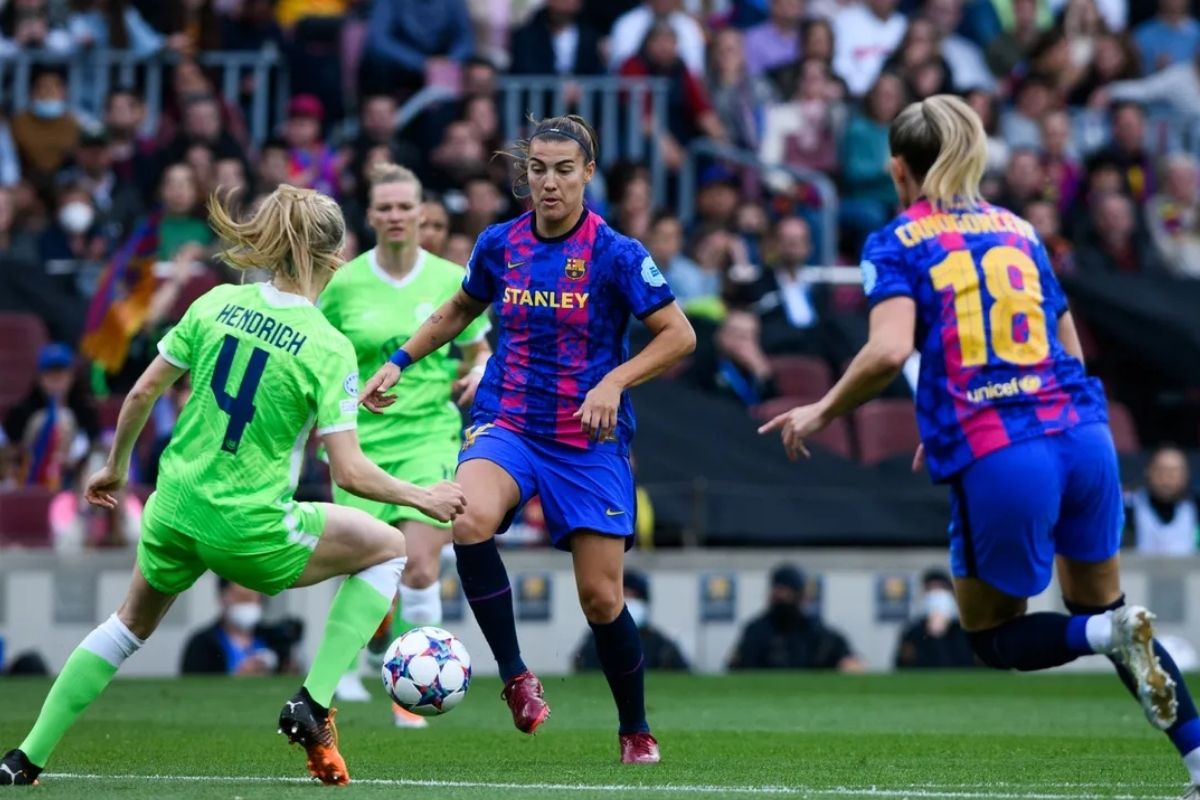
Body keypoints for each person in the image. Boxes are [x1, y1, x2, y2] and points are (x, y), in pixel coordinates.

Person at [758, 93, 1200, 794]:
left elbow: (886, 351)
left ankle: (1102, 636)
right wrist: (947, 420)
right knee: (1104, 604)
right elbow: (1070, 350)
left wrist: (820, 410)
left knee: (994, 638)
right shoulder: (1020, 228)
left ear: (898, 168)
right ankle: (1198, 760)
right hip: (1084, 435)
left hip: (1004, 451)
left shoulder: (896, 239)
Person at [0, 185, 467, 787]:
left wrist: (116, 467)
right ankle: (315, 701)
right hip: (248, 527)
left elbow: (141, 392)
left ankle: (25, 757)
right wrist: (423, 496)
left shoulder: (215, 302)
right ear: (335, 255)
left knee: (125, 627)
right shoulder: (329, 347)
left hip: (174, 507)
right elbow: (349, 474)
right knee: (390, 548)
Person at [361, 114, 696, 764]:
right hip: (508, 421)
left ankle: (635, 729)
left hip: (587, 437)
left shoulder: (616, 253)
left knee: (601, 598)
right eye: (537, 169)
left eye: (563, 170)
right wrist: (399, 360)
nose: (548, 183)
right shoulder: (499, 244)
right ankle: (516, 676)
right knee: (468, 518)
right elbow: (461, 308)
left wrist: (615, 383)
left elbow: (680, 334)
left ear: (587, 174)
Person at [319, 163, 493, 727]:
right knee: (365, 569)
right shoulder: (343, 284)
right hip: (359, 444)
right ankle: (367, 651)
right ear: (370, 217)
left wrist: (481, 370)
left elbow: (477, 350)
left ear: (423, 215)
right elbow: (319, 357)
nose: (395, 216)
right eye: (384, 207)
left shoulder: (451, 278)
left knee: (418, 565)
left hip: (427, 435)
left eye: (404, 207)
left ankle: (410, 697)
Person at [728, 563, 863, 671]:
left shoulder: (819, 633)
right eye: (778, 592)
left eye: (788, 592)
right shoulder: (756, 631)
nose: (782, 597)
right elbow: (738, 670)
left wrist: (849, 664)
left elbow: (851, 664)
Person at [572, 570, 689, 672]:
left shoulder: (661, 645)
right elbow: (582, 667)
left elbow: (683, 674)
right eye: (622, 596)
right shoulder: (595, 640)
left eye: (632, 596)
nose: (627, 602)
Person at [180, 580, 299, 676]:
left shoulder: (274, 638)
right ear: (222, 597)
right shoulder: (201, 644)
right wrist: (238, 676)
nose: (246, 604)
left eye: (251, 598)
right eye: (240, 597)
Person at [894, 568, 977, 669]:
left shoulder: (967, 631)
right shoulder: (913, 632)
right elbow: (902, 666)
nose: (936, 595)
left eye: (941, 589)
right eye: (931, 589)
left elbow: (970, 666)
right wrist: (934, 636)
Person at [1125, 446, 1199, 556]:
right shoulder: (1128, 508)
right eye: (1161, 470)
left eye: (1174, 471)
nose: (1167, 477)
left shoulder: (1196, 507)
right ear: (1148, 472)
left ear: (1186, 475)